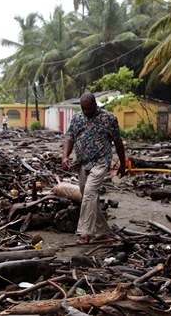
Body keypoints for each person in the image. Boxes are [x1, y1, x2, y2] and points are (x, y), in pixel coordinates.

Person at [62, 92, 126, 244]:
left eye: (89, 108)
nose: (86, 111)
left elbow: (118, 142)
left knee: (90, 192)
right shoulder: (77, 119)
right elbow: (69, 138)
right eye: (83, 108)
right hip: (82, 163)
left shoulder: (108, 118)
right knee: (88, 197)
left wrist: (122, 164)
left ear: (95, 105)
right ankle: (103, 231)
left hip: (101, 162)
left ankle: (85, 232)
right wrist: (65, 157)